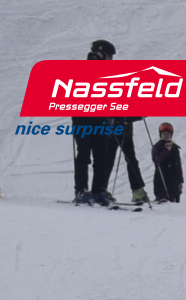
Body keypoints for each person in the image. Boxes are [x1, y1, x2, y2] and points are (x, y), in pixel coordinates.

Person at [72, 39, 120, 205]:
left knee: (101, 157)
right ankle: (81, 190)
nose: (110, 60)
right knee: (84, 155)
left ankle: (99, 190)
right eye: (109, 56)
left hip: (101, 121)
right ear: (99, 54)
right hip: (83, 120)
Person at [152, 122, 184, 203]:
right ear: (161, 135)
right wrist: (166, 151)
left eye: (168, 134)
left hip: (174, 180)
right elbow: (156, 160)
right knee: (163, 201)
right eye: (164, 134)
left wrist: (180, 180)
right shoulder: (157, 147)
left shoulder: (175, 148)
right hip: (161, 179)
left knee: (174, 201)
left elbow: (178, 165)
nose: (166, 135)